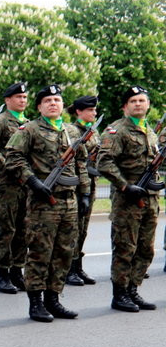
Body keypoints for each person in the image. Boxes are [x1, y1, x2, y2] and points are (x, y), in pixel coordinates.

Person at [5, 84, 90, 322]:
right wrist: (32, 181)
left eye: (57, 100)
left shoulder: (72, 131)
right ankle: (36, 303)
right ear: (40, 106)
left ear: (63, 105)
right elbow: (13, 158)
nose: (53, 103)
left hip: (69, 202)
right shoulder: (29, 129)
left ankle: (54, 299)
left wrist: (84, 193)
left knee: (64, 253)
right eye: (48, 100)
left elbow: (80, 164)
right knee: (40, 253)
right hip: (43, 202)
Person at [97, 86, 158, 312]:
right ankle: (120, 294)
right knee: (125, 248)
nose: (138, 104)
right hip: (127, 200)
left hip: (149, 198)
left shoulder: (149, 131)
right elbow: (103, 162)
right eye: (133, 101)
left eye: (142, 100)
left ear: (148, 104)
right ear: (125, 107)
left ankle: (133, 289)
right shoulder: (117, 130)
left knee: (146, 248)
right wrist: (124, 185)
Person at [0, 82, 29, 294]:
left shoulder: (28, 124)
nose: (22, 100)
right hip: (8, 184)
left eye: (24, 97)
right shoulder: (1, 122)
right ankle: (2, 274)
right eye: (18, 97)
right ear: (8, 100)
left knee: (24, 229)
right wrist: (6, 165)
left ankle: (17, 272)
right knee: (7, 230)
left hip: (26, 184)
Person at [65, 95, 100, 286]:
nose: (94, 113)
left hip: (90, 183)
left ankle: (78, 266)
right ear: (79, 111)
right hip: (77, 185)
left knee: (83, 228)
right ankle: (69, 269)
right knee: (74, 228)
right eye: (90, 110)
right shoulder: (71, 130)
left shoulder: (92, 131)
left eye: (94, 110)